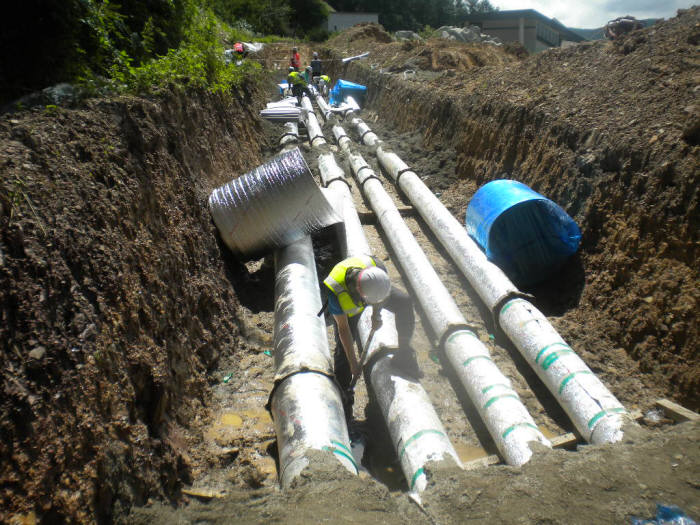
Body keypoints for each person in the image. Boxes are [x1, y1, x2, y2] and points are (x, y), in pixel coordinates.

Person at [322, 255, 417, 417]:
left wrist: (376, 314)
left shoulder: (377, 273)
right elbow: (343, 329)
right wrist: (354, 363)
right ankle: (343, 397)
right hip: (347, 307)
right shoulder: (335, 290)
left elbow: (379, 298)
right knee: (343, 352)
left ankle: (404, 354)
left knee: (404, 302)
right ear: (360, 291)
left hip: (370, 291)